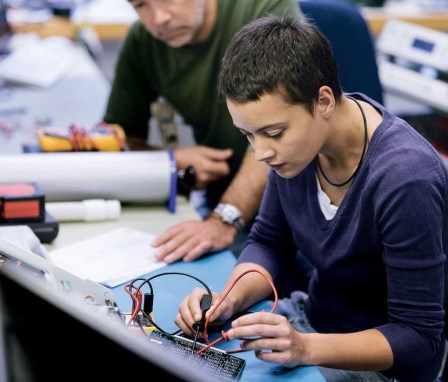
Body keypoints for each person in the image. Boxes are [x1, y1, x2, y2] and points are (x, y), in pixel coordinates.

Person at [175, 14, 448, 382]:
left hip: (382, 363)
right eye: (249, 135)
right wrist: (228, 300)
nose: (262, 153)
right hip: (311, 321)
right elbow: (269, 242)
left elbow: (417, 336)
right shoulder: (298, 149)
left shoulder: (406, 179)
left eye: (273, 132)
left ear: (323, 101)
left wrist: (306, 347)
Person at [103, 0, 301, 264]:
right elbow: (116, 138)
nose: (159, 17)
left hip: (299, 200)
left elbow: (278, 133)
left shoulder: (265, 9)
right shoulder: (142, 42)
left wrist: (224, 220)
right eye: (141, 6)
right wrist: (172, 162)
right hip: (221, 199)